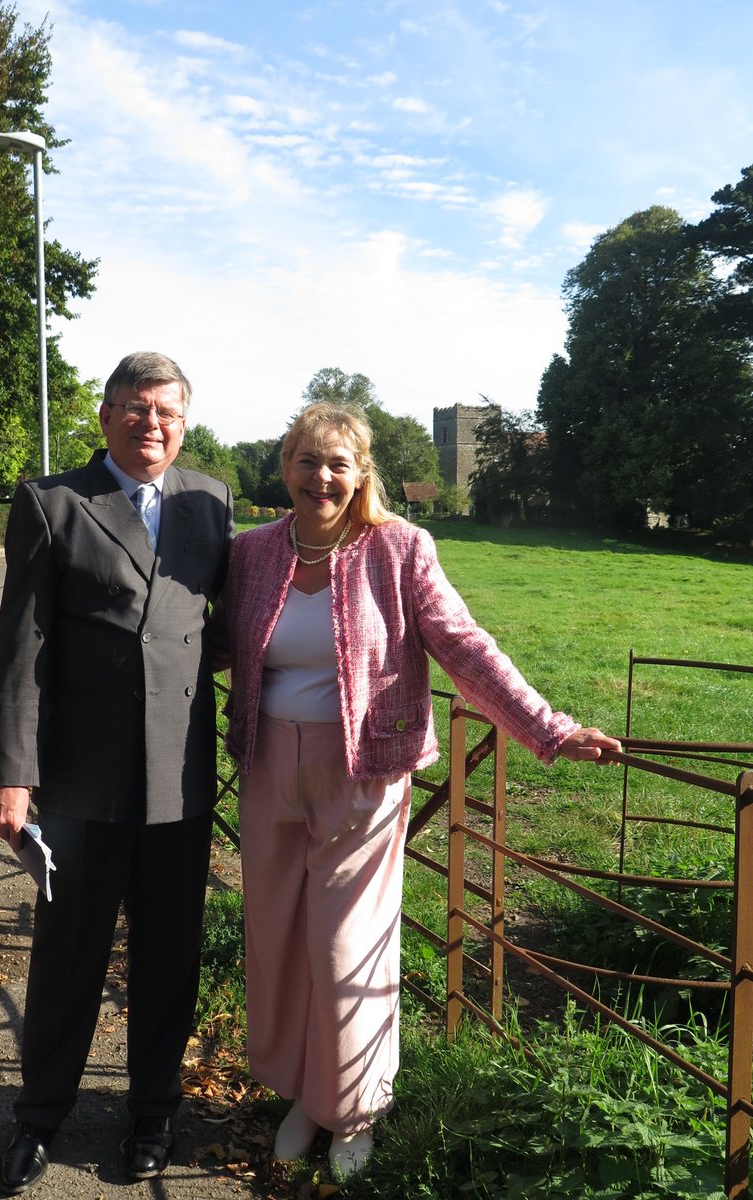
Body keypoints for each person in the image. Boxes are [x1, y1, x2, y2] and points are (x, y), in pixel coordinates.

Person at [222, 400, 621, 1179]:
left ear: (361, 471)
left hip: (363, 772)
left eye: (338, 462)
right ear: (286, 468)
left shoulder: (400, 549)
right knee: (277, 939)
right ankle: (307, 1091)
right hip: (268, 765)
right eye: (307, 460)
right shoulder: (252, 553)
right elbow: (199, 641)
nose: (321, 477)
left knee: (345, 949)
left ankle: (357, 1107)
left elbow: (465, 648)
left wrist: (548, 727)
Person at [0, 351, 234, 1195]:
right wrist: (10, 775)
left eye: (165, 411)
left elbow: (226, 625)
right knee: (68, 956)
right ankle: (40, 1116)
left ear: (184, 421)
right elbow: (22, 648)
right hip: (81, 781)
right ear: (105, 416)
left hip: (180, 779)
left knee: (169, 956)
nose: (149, 423)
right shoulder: (53, 503)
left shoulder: (210, 501)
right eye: (133, 408)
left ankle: (154, 1114)